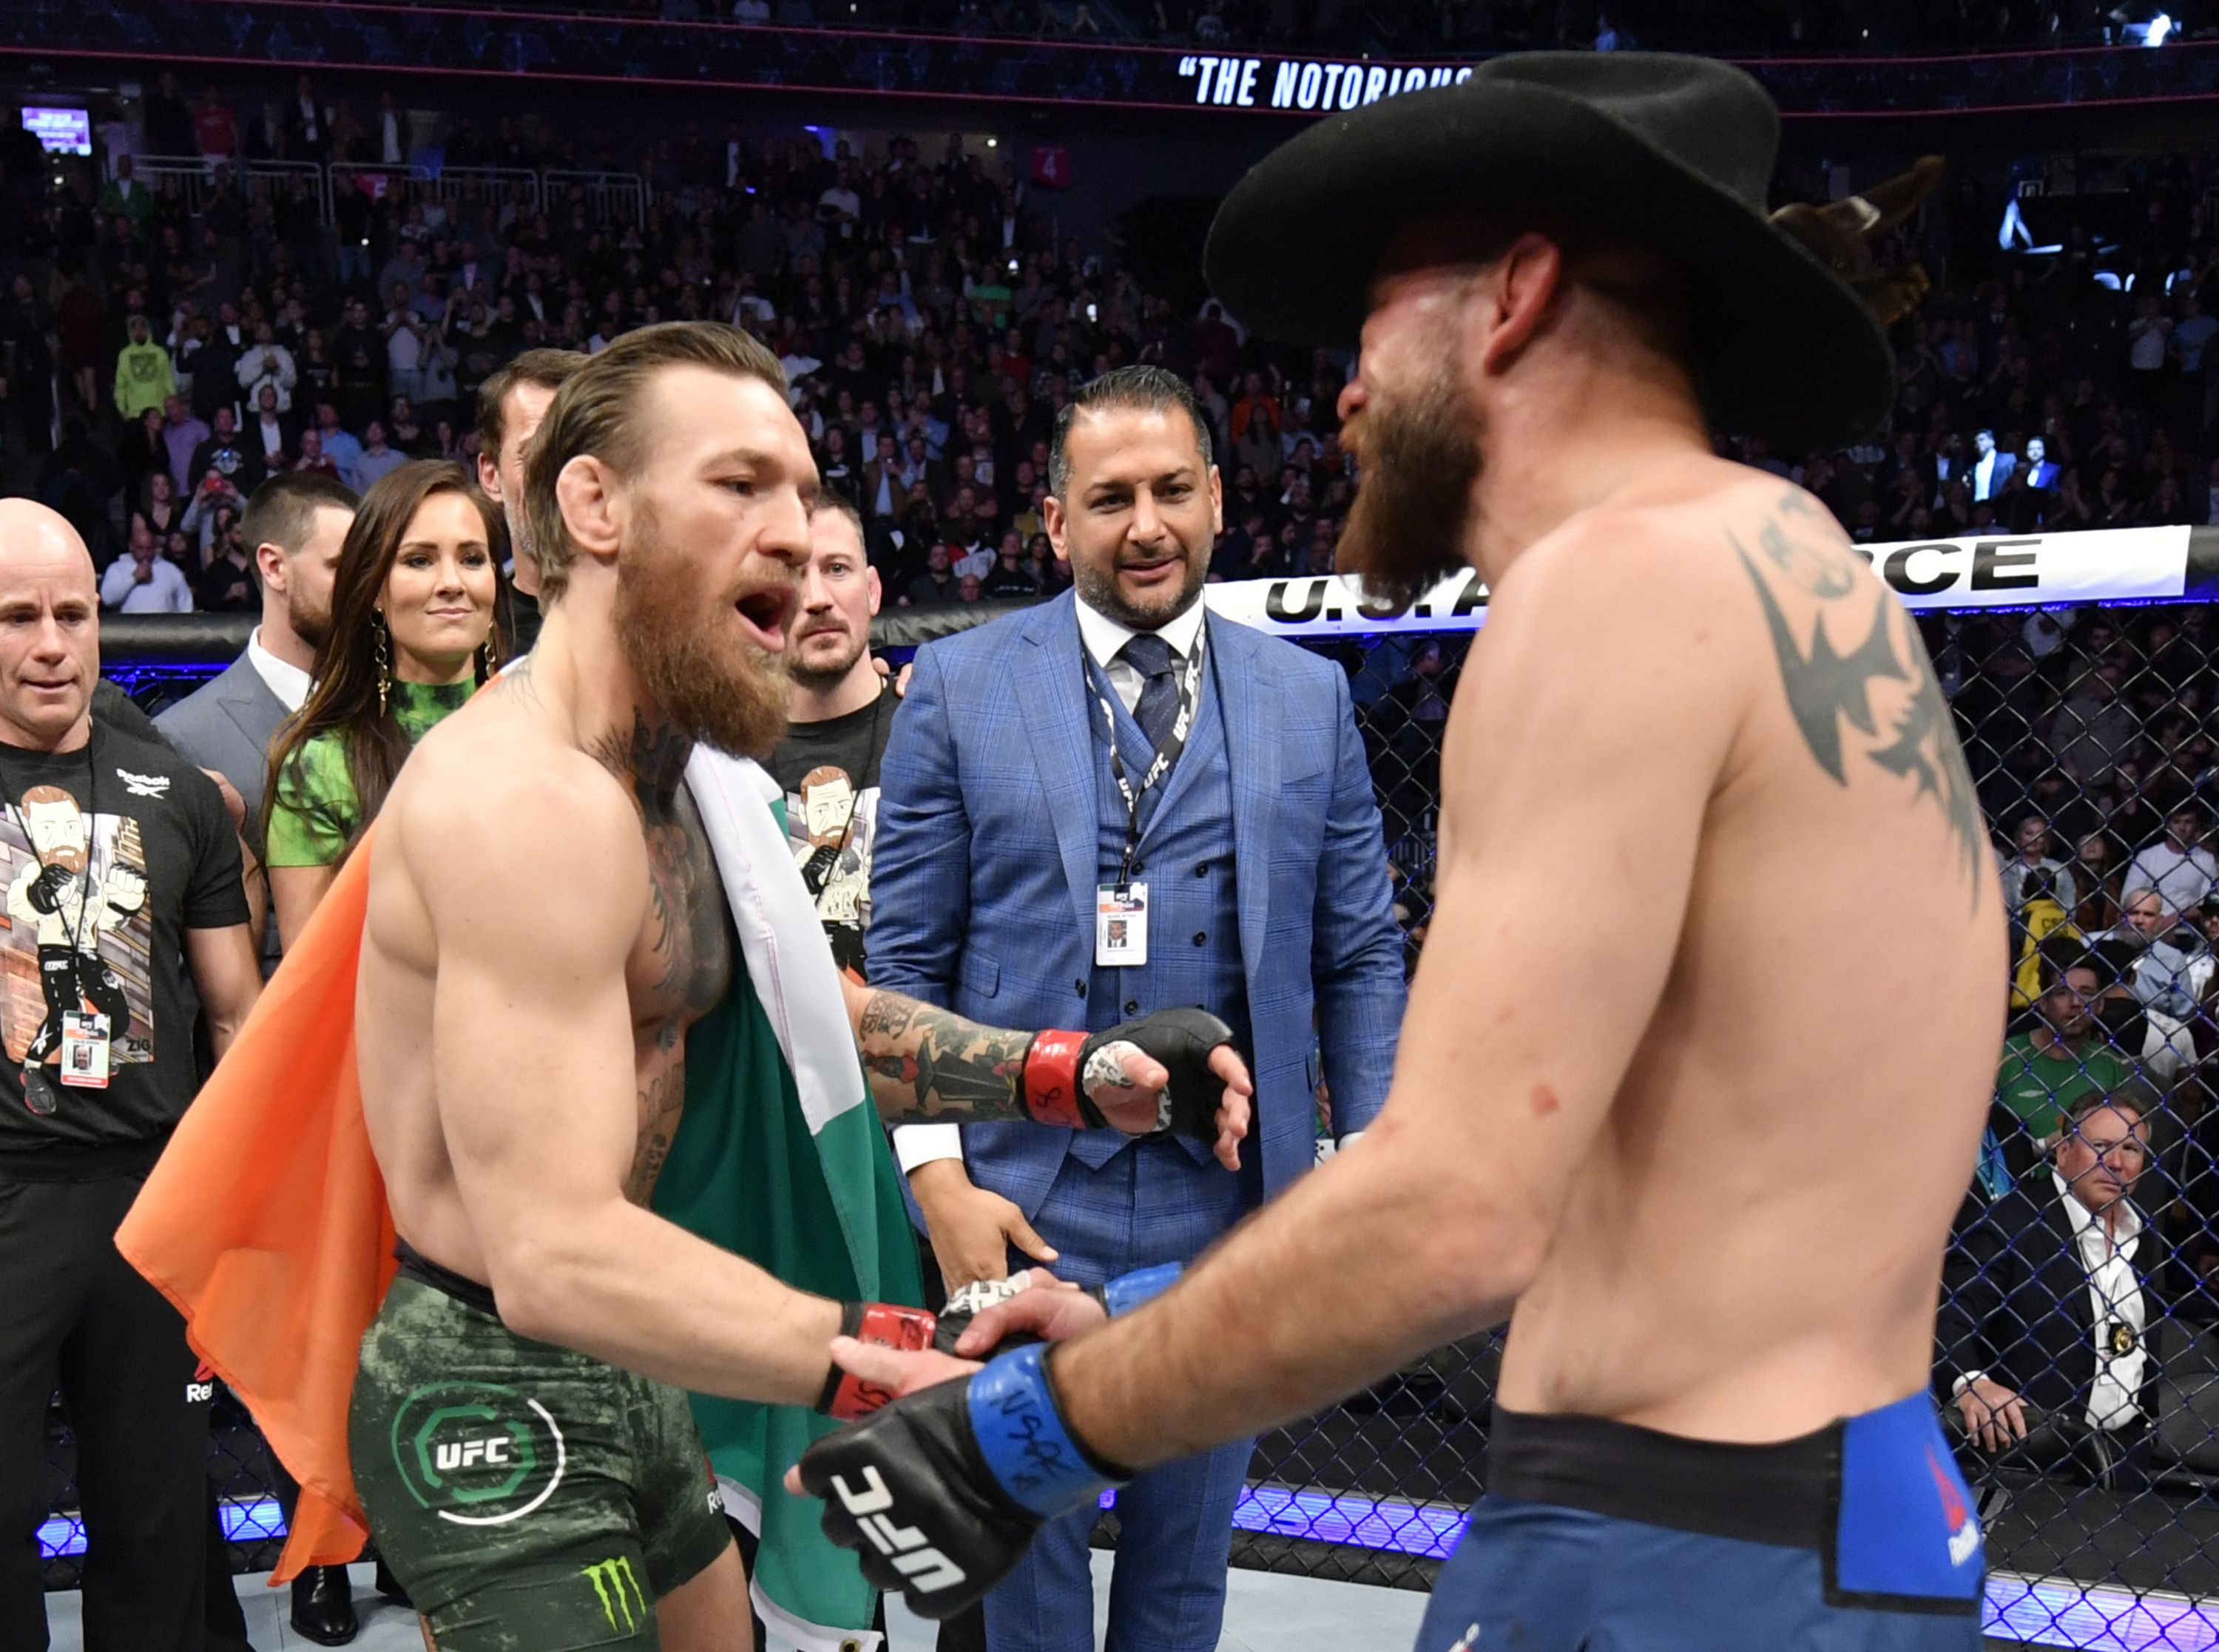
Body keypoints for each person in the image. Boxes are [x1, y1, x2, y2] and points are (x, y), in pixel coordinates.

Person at [794, 56, 2005, 1651]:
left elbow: (1454, 1212)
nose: (1344, 392)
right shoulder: (1799, 572)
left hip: (1680, 1542)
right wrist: (1139, 1316)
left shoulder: (1618, 592)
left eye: (1369, 318)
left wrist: (1034, 1421)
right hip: (1830, 1508)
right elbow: (1595, 1187)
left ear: (1512, 297)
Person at [290, 322, 1248, 1652]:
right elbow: (552, 1249)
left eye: (802, 490)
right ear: (595, 504)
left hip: (639, 1358)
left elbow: (819, 1019)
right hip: (495, 1376)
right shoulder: (524, 799)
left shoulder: (678, 772)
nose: (797, 532)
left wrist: (1068, 1071)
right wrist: (901, 1349)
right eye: (742, 485)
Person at [868, 365, 1405, 1652]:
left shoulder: (1307, 696)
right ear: (1056, 522)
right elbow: (904, 961)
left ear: (1218, 500)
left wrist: (1363, 1162)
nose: (1146, 523)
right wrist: (936, 1176)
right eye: (1109, 498)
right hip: (1019, 1199)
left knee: (1181, 1576)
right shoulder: (959, 685)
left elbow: (1362, 950)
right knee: (1027, 1585)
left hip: (1223, 1206)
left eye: (1172, 490)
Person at [0, 500, 260, 1652]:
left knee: (154, 1512)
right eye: (17, 616)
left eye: (73, 612)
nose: (53, 642)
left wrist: (240, 1200)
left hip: (153, 1193)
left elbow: (236, 1013)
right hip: (6, 1192)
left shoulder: (181, 795)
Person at [155, 468, 362, 1640]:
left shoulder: (413, 712)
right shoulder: (185, 738)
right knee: (304, 1323)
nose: (371, 587)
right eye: (344, 563)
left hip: (412, 1068)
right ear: (274, 566)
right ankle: (316, 1545)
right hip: (279, 1078)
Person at [262, 461, 504, 949]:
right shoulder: (319, 766)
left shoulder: (555, 736)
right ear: (375, 591)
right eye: (419, 561)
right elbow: (314, 976)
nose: (452, 582)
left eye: (473, 559)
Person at [1939, 1095, 2164, 1481]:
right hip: (2034, 1460)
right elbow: (1951, 1315)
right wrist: (1971, 1382)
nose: (2116, 1163)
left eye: (2130, 1148)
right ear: (2063, 1152)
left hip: (2128, 1457)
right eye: (2101, 1146)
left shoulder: (2143, 1234)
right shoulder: (2013, 1224)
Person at [771, 495, 895, 978]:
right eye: (794, 574)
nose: (817, 597)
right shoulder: (724, 763)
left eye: (837, 568)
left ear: (873, 591)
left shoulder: (937, 735)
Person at [474, 347, 587, 653]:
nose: (559, 477)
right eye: (534, 453)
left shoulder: (664, 625)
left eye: (579, 451)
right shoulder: (467, 639)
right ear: (491, 476)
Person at [2127, 801, 2218, 919]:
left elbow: (2210, 902)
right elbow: (2129, 896)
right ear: (2167, 824)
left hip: (2188, 927)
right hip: (2148, 923)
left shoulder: (2206, 859)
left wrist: (2177, 918)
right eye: (2177, 821)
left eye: (2188, 822)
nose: (2182, 827)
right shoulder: (2147, 857)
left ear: (2196, 825)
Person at [101, 515, 195, 612]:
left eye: (149, 548)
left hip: (164, 626)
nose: (145, 553)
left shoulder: (170, 570)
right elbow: (108, 600)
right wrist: (133, 579)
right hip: (131, 626)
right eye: (141, 548)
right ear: (131, 547)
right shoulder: (116, 569)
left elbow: (186, 603)